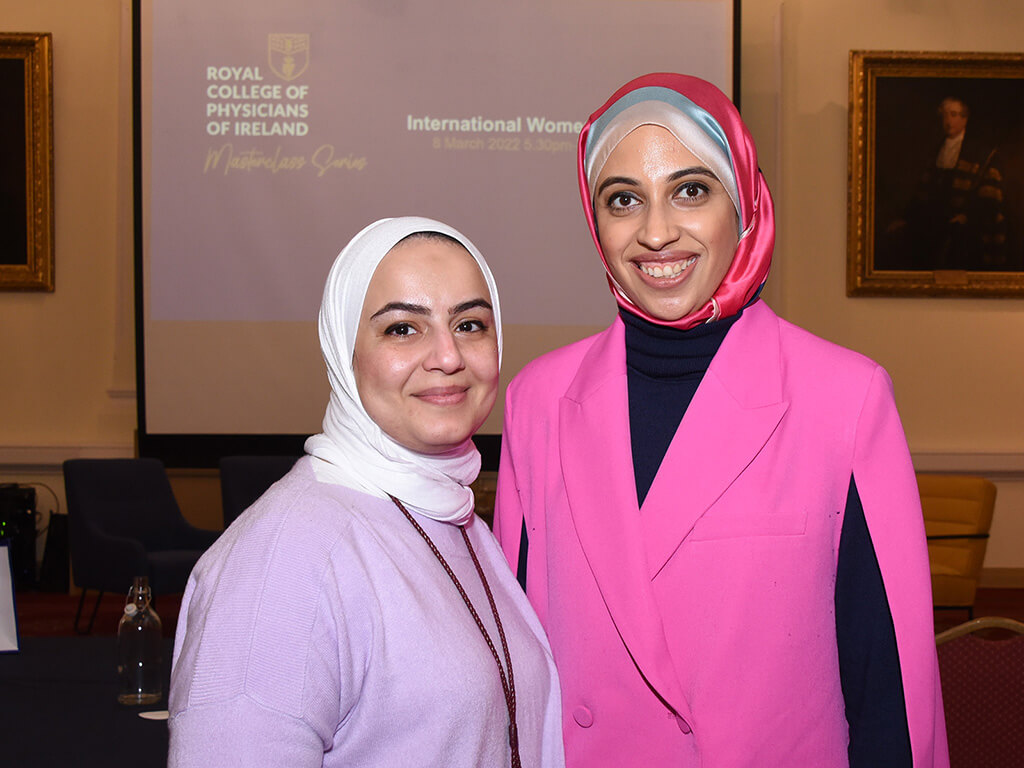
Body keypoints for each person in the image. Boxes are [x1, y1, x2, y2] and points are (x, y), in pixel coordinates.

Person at [492, 73, 948, 767]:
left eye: (691, 190)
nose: (656, 232)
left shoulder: (846, 398)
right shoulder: (538, 400)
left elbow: (888, 687)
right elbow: (517, 669)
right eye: (623, 200)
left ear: (746, 203)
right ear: (595, 221)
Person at [168, 217, 564, 768]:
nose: (448, 356)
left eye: (471, 324)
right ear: (342, 349)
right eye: (403, 329)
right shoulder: (283, 559)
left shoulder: (454, 518)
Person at [884, 95, 1006, 270]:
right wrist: (905, 218)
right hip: (934, 220)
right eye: (945, 115)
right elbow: (923, 191)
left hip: (966, 224)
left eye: (955, 114)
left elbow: (990, 199)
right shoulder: (937, 150)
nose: (949, 120)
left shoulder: (982, 153)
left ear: (965, 119)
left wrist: (967, 216)